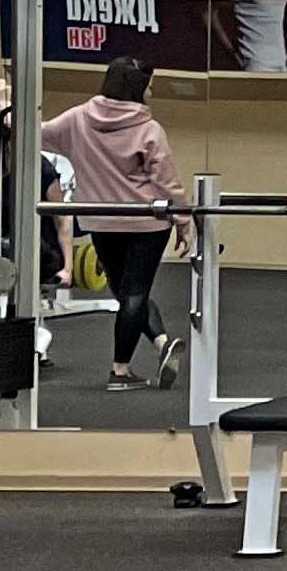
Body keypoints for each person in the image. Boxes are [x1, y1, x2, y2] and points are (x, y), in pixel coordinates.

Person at [41, 57, 188, 390]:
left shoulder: (77, 119)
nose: (151, 91)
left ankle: (162, 342)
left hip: (101, 221)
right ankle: (120, 371)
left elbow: (34, 132)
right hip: (147, 224)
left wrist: (2, 106)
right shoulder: (149, 130)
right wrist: (182, 219)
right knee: (134, 293)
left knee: (126, 293)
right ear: (136, 88)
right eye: (148, 86)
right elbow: (167, 182)